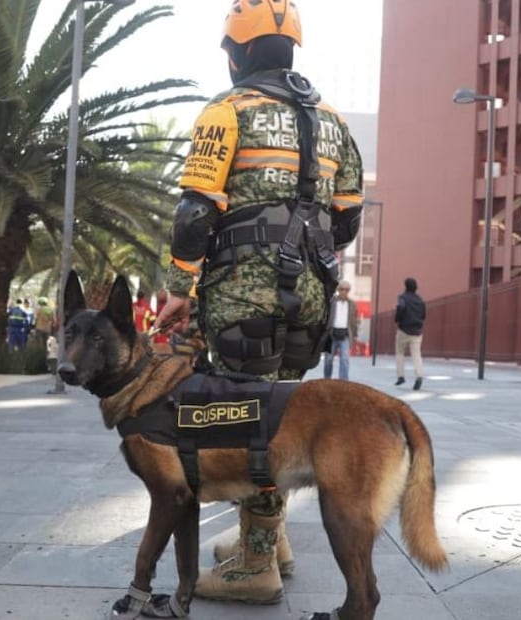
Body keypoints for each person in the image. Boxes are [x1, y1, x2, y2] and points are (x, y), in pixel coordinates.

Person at [153, 0, 364, 605]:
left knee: (248, 423)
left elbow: (196, 213)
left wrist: (180, 288)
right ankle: (270, 539)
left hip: (245, 301)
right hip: (311, 299)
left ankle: (254, 567)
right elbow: (346, 220)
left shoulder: (228, 111)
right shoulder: (333, 120)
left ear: (236, 52)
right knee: (283, 416)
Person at [394, 277, 426, 391]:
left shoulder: (402, 298)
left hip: (404, 329)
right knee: (416, 355)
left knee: (400, 352)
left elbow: (400, 309)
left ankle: (401, 376)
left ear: (405, 286)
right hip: (417, 331)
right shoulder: (420, 300)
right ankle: (419, 375)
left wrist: (397, 319)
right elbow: (423, 315)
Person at [322, 280, 357, 380]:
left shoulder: (352, 304)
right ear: (338, 290)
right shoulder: (332, 302)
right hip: (332, 334)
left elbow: (354, 321)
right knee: (328, 359)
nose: (344, 292)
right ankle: (327, 379)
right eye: (342, 289)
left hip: (345, 335)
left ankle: (344, 381)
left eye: (346, 290)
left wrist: (354, 336)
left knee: (345, 359)